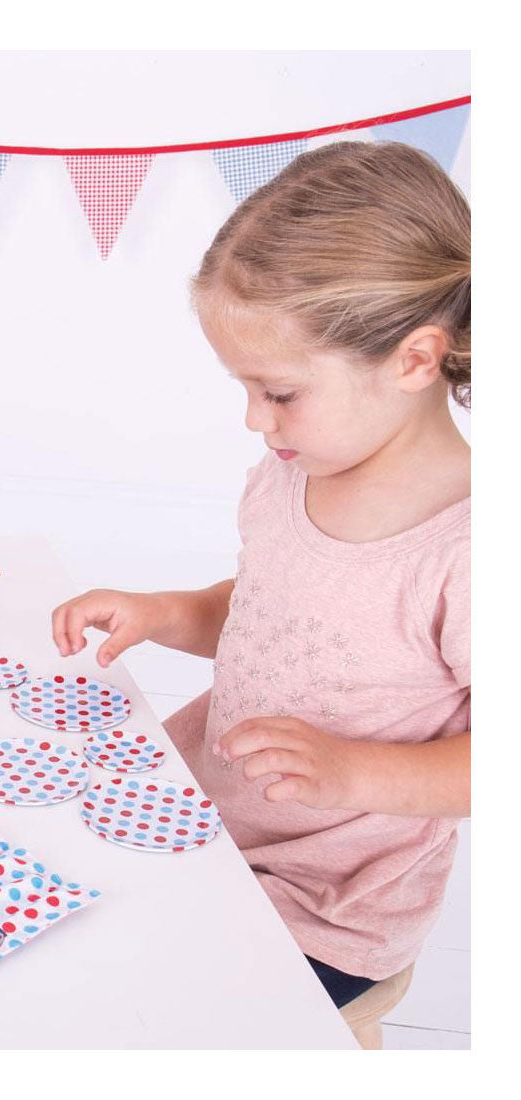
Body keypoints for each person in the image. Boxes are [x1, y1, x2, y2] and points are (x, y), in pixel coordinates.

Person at [51, 140, 470, 1008]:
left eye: (278, 392)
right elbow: (266, 613)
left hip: (327, 907)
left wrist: (351, 772)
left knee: (149, 1010)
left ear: (415, 359)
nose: (254, 418)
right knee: (52, 935)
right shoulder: (293, 472)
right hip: (202, 823)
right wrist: (164, 612)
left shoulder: (468, 552)